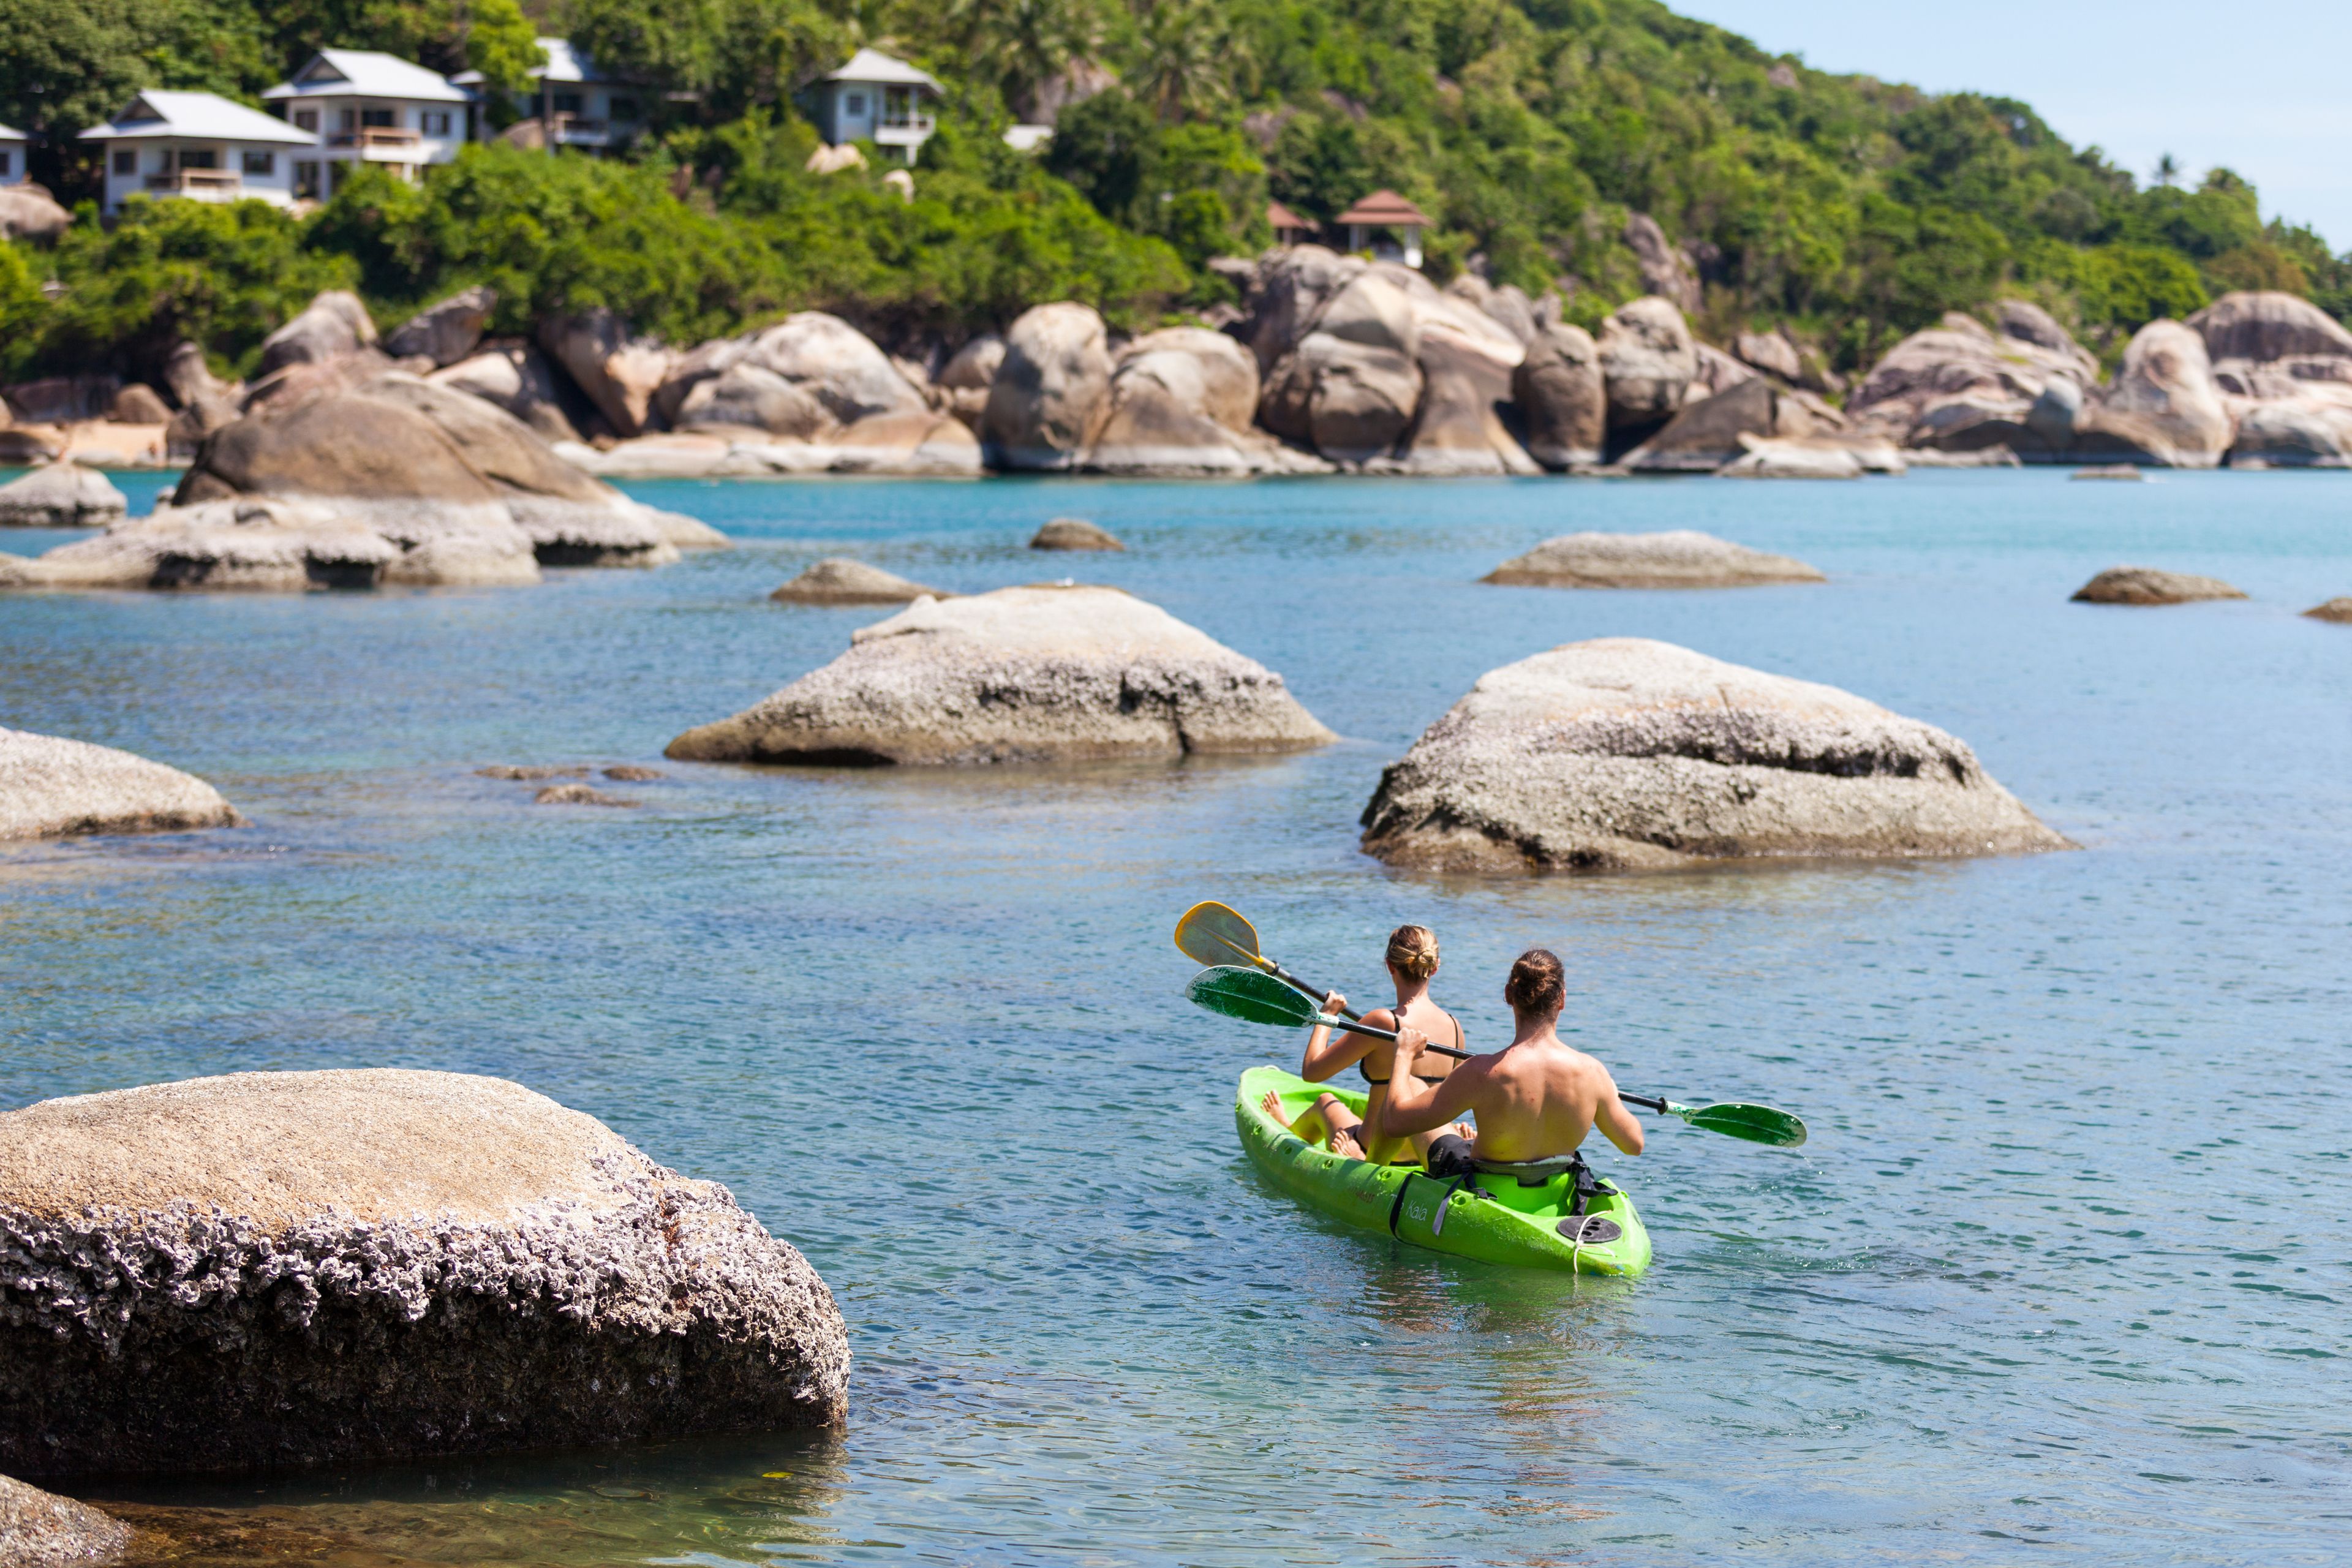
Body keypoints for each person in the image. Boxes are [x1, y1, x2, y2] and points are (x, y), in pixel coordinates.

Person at [1373, 948, 1645, 1169]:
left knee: (1413, 1084)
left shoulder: (1482, 1071)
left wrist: (1404, 1055)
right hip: (1550, 1189)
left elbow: (1395, 1124)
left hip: (1484, 1188)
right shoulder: (1593, 1073)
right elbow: (1634, 1145)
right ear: (1562, 999)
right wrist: (1608, 1091)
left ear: (1508, 996)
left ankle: (1370, 1170)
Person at [1259, 924, 1471, 1164]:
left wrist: (1327, 1017)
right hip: (1424, 1152)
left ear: (1390, 965)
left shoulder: (1383, 1021)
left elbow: (1312, 1072)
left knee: (1325, 1101)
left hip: (1373, 1149)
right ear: (1435, 968)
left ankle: (1289, 1129)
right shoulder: (1455, 1027)